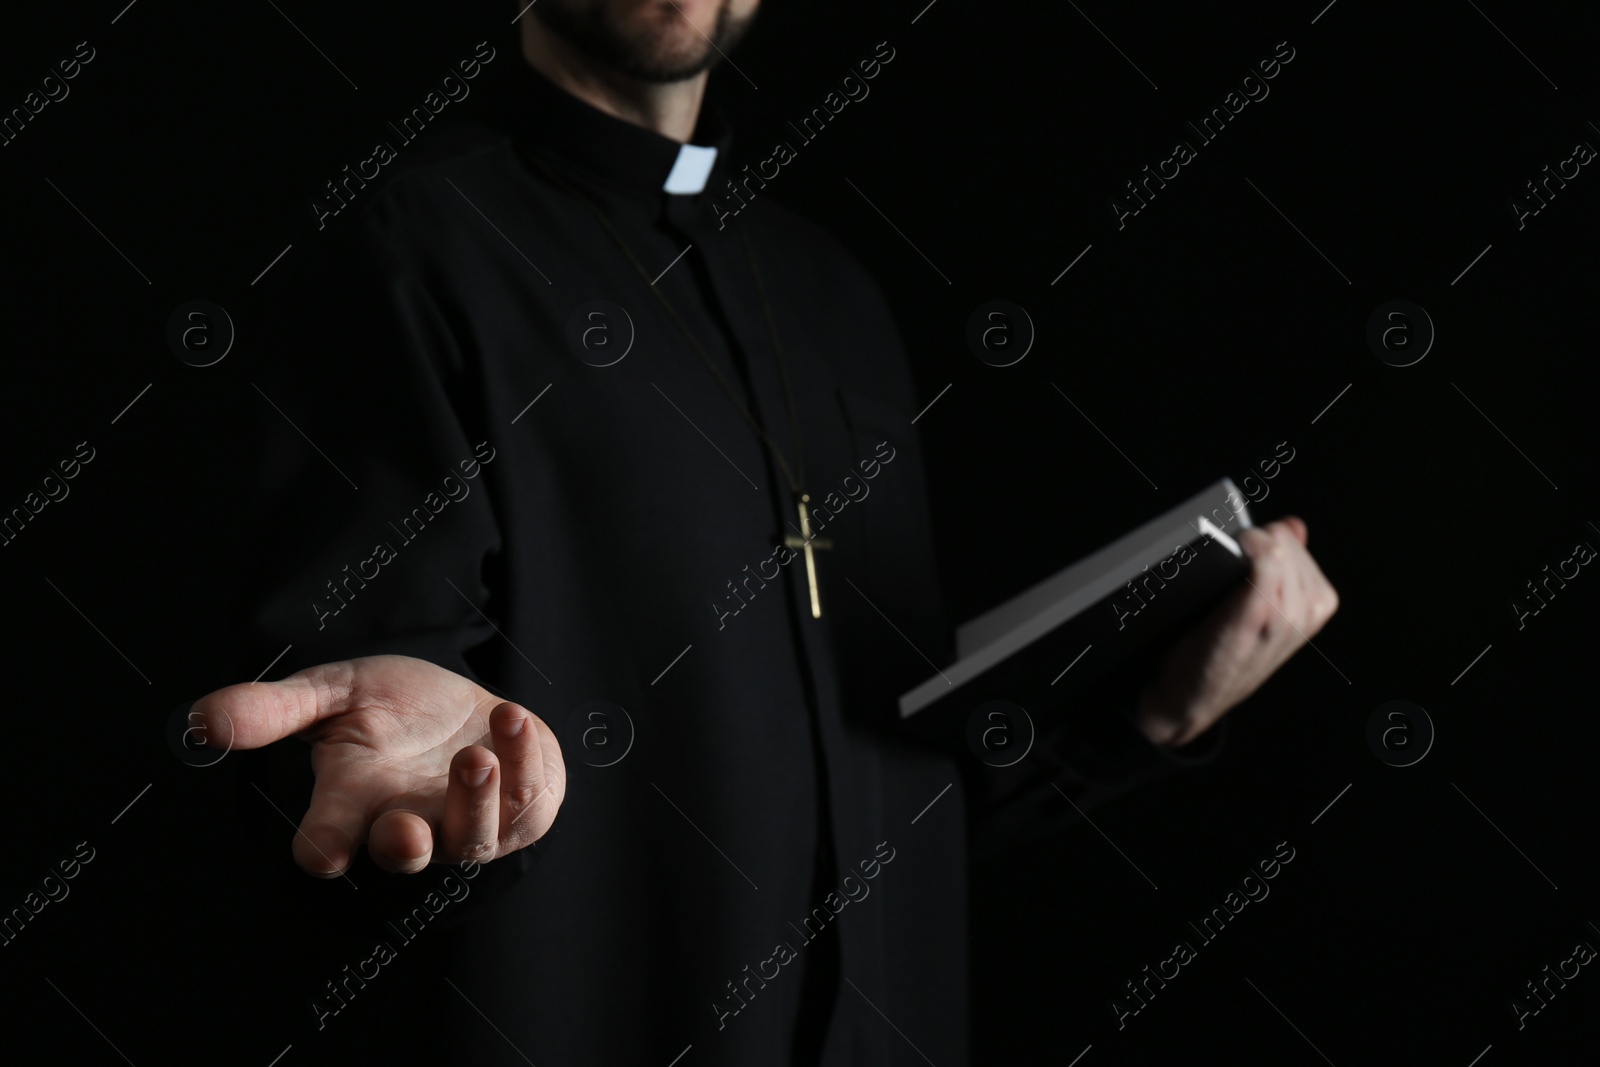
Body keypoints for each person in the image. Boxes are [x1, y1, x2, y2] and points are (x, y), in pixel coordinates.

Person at [191, 1, 1339, 1063]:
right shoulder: (407, 243)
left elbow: (890, 798)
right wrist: (421, 801)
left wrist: (1153, 714)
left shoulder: (836, 294)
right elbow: (353, 745)